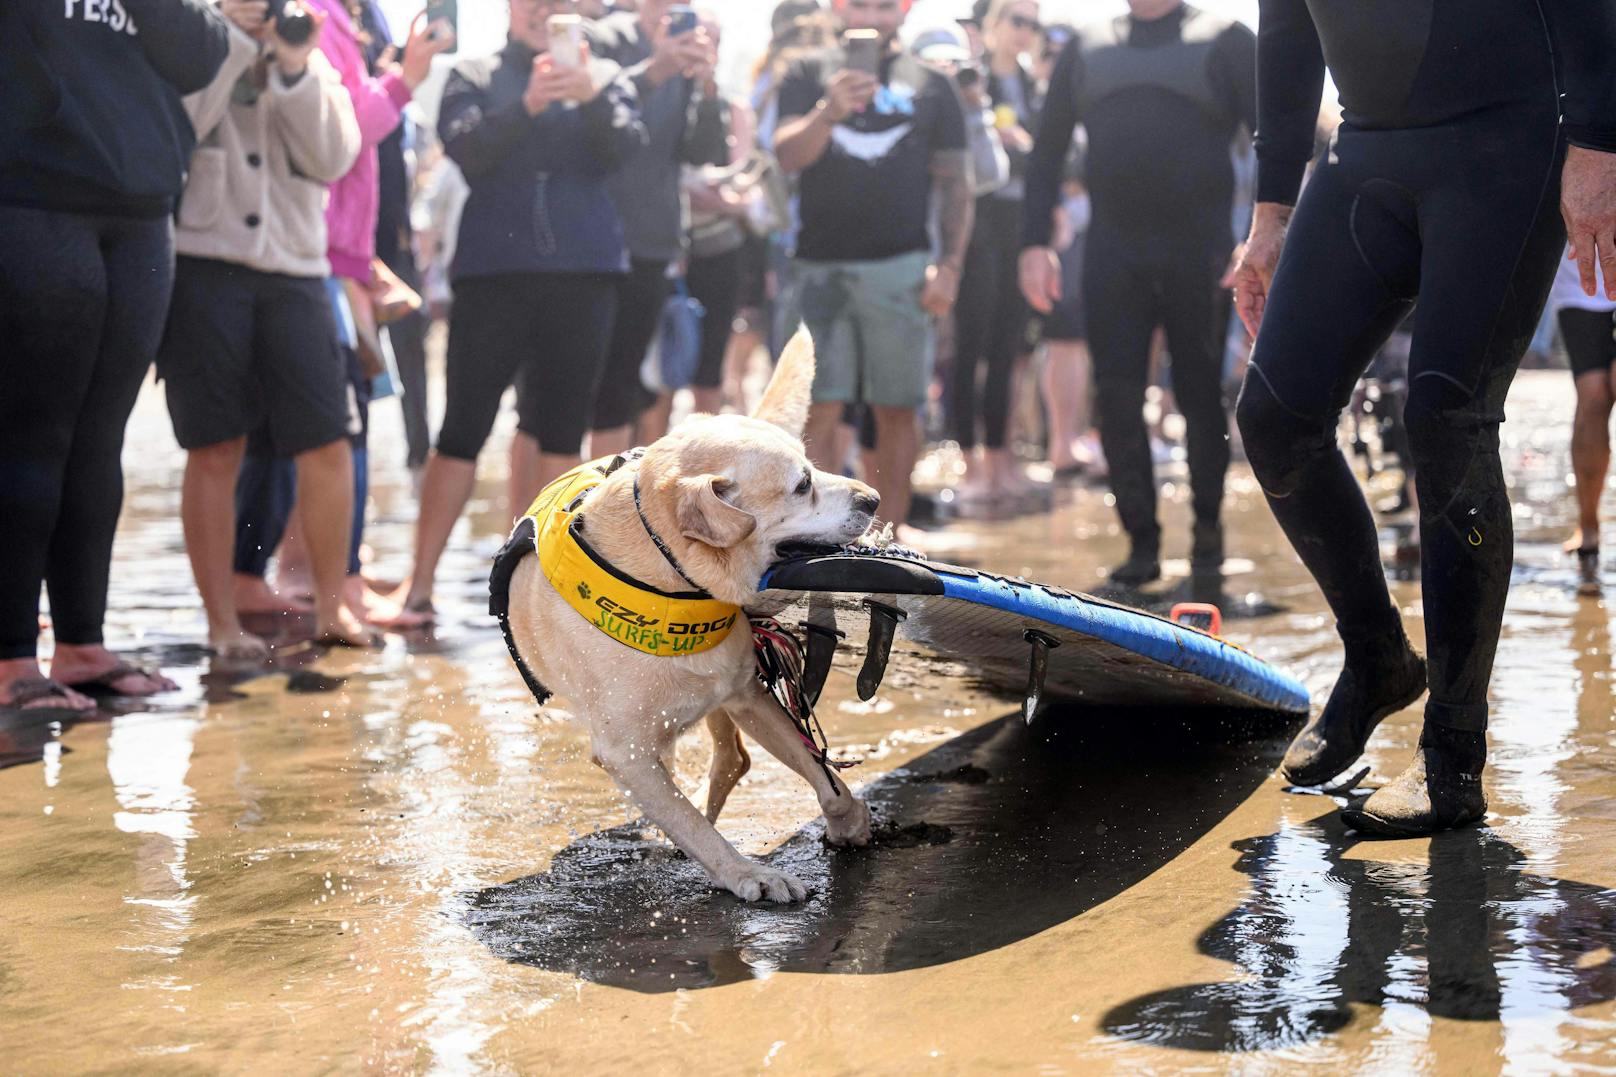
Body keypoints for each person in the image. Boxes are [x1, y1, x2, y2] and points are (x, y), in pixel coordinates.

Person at [1225, 0, 1616, 835]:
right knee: (1273, 417)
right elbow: (1289, 26)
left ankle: (1453, 755)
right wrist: (1270, 212)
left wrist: (1599, 141)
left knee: (1446, 417)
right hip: (1365, 150)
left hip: (1506, 142)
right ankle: (1377, 657)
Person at [379, 0, 646, 626]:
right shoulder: (473, 73)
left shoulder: (605, 77)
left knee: (561, 431)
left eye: (559, 3)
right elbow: (466, 149)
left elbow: (626, 151)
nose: (544, 11)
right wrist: (525, 104)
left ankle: (544, 593)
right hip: (491, 275)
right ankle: (419, 586)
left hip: (585, 275)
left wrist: (588, 95)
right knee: (461, 430)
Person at [0, 0, 229, 710]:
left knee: (102, 435)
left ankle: (81, 643)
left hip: (141, 205)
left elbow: (201, 54)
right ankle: (10, 658)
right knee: (32, 434)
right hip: (30, 193)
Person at [155, 0, 368, 657]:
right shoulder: (193, 39)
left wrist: (295, 63)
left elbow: (336, 155)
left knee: (326, 440)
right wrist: (230, 41)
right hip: (205, 265)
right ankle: (221, 625)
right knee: (214, 446)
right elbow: (174, 131)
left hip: (299, 272)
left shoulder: (312, 51)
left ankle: (333, 607)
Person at [1019, 0, 1255, 588]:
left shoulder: (1222, 37)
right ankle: (1141, 544)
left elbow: (1271, 137)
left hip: (1199, 252)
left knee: (1200, 394)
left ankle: (1207, 539)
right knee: (1117, 394)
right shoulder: (1088, 46)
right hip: (1113, 252)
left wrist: (1265, 234)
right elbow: (1046, 150)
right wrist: (1032, 243)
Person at [230, 0, 450, 626]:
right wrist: (404, 79)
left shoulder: (350, 13)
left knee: (309, 425)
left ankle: (304, 573)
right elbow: (341, 132)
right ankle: (333, 583)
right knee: (332, 422)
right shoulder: (314, 13)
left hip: (339, 250)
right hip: (315, 247)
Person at [774, 0, 974, 545]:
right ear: (838, 6)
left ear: (904, 9)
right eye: (859, 3)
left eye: (884, 5)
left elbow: (957, 183)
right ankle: (812, 536)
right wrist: (827, 111)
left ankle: (889, 535)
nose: (872, 16)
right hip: (819, 267)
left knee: (898, 407)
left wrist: (950, 266)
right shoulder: (805, 71)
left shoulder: (932, 81)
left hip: (902, 267)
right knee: (818, 407)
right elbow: (786, 156)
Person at [504, 0, 718, 509]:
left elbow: (702, 150)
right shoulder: (600, 38)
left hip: (647, 245)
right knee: (543, 400)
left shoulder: (688, 55)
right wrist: (659, 67)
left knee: (618, 391)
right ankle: (520, 535)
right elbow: (590, 117)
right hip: (579, 247)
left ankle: (596, 527)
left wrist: (707, 85)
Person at [951, 0, 1041, 501]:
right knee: (971, 345)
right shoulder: (971, 76)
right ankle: (970, 466)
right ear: (990, 25)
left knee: (1008, 344)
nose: (1024, 32)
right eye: (1016, 20)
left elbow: (1052, 153)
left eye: (1032, 23)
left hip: (1018, 222)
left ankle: (1001, 460)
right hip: (975, 219)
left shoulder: (1031, 83)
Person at [1553, 255, 1616, 596]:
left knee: (1594, 396)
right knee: (1593, 397)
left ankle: (1589, 529)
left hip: (1578, 279)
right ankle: (1588, 524)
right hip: (1581, 280)